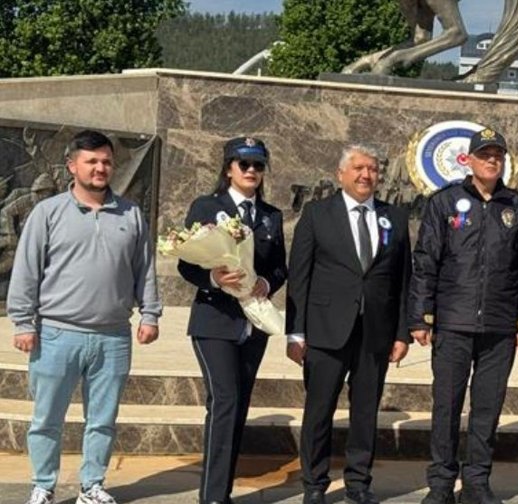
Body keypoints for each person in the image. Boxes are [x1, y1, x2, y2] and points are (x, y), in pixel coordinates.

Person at [7, 130, 162, 504]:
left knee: (103, 419)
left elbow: (146, 269)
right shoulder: (48, 213)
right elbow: (26, 270)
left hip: (113, 337)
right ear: (72, 165)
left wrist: (150, 314)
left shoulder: (131, 214)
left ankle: (92, 485)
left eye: (106, 161)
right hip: (57, 334)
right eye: (91, 161)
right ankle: (43, 484)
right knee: (46, 419)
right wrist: (23, 322)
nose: (100, 168)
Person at [409, 128, 518, 504]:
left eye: (497, 156)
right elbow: (426, 261)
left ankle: (477, 482)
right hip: (453, 323)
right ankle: (440, 484)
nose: (491, 161)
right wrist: (422, 316)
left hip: (500, 328)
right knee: (446, 406)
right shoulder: (444, 203)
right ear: (467, 160)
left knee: (487, 409)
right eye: (484, 155)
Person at [285, 144, 412, 504]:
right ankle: (314, 483)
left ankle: (359, 482)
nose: (365, 175)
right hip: (325, 330)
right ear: (341, 174)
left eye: (372, 168)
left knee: (364, 412)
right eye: (357, 168)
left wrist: (402, 332)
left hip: (376, 332)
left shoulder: (395, 218)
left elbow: (404, 280)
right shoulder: (317, 214)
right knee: (319, 410)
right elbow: (300, 277)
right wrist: (295, 332)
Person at [177, 137, 287, 504]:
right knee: (224, 399)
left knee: (238, 403)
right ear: (228, 169)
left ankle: (220, 489)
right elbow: (186, 262)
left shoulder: (271, 215)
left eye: (258, 165)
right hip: (214, 321)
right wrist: (214, 280)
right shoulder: (208, 206)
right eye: (244, 164)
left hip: (253, 323)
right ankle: (211, 496)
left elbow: (279, 267)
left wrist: (266, 282)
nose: (252, 171)